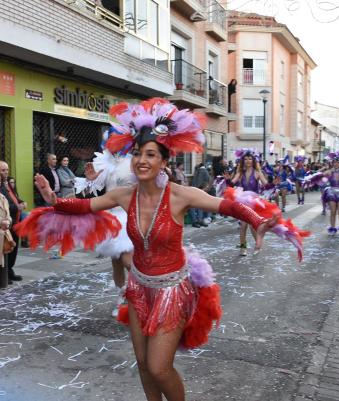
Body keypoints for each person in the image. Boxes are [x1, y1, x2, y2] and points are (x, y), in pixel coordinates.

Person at [16, 98, 307, 401]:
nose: (141, 160)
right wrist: (53, 199)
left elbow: (228, 205)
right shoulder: (125, 195)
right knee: (143, 364)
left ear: (163, 162)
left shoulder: (181, 195)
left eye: (151, 154)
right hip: (139, 288)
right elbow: (85, 205)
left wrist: (257, 220)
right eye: (138, 154)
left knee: (158, 367)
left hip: (172, 291)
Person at [74, 132, 136, 317]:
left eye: (116, 142)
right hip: (111, 217)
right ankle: (122, 296)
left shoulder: (134, 161)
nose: (112, 145)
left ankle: (141, 292)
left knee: (128, 260)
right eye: (110, 142)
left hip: (129, 214)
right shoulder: (104, 161)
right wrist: (91, 179)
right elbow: (92, 190)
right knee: (116, 261)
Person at [230, 149, 268, 256]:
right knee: (243, 226)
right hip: (242, 202)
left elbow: (266, 184)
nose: (248, 161)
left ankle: (257, 244)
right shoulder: (240, 173)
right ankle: (243, 248)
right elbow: (232, 183)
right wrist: (228, 180)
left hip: (254, 202)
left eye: (250, 158)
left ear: (253, 160)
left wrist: (272, 185)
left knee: (252, 226)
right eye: (245, 159)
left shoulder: (257, 173)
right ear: (243, 160)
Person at [0, 160, 25, 283]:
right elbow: (2, 205)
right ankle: (0, 275)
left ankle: (9, 270)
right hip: (6, 221)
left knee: (13, 248)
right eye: (3, 170)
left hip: (15, 221)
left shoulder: (7, 183)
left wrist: (21, 201)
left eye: (7, 170)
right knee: (4, 249)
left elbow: (14, 197)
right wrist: (17, 207)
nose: (6, 172)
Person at [189, 163, 211, 227]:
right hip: (199, 191)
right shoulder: (205, 171)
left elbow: (193, 181)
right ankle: (198, 220)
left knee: (195, 206)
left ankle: (196, 221)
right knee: (198, 206)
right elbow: (207, 181)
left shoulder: (197, 171)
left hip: (193, 190)